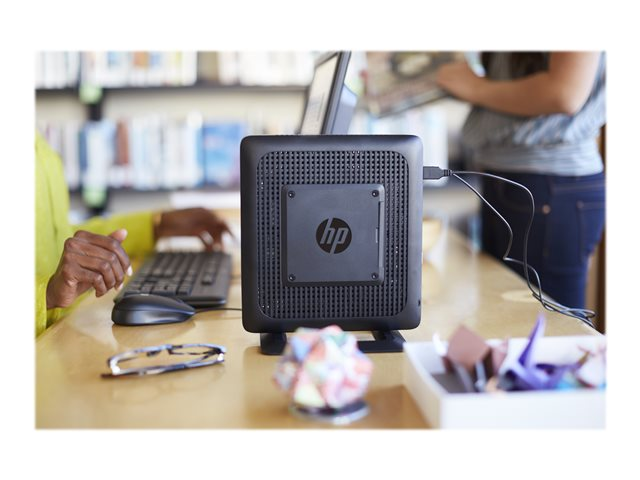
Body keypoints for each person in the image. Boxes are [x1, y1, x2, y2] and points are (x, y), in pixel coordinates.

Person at [436, 52, 605, 312]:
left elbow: (565, 93)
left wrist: (476, 87)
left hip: (548, 186)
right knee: (503, 318)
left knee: (552, 326)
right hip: (513, 181)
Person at [35, 132, 232, 336]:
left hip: (69, 330)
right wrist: (47, 296)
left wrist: (157, 225)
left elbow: (64, 242)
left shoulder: (43, 147)